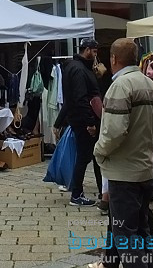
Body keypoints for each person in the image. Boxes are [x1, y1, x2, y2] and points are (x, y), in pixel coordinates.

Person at [92, 38, 153, 268]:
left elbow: (114, 132)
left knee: (126, 234)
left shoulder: (121, 86)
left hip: (124, 172)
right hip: (144, 169)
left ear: (113, 59)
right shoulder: (150, 85)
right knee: (139, 228)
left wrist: (99, 151)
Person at [54, 38, 104, 207]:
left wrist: (59, 121)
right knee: (86, 157)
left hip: (80, 118)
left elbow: (72, 98)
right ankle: (77, 194)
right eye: (95, 51)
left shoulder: (76, 67)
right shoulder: (79, 69)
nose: (96, 55)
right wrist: (90, 122)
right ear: (88, 50)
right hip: (84, 120)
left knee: (92, 156)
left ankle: (100, 191)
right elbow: (80, 98)